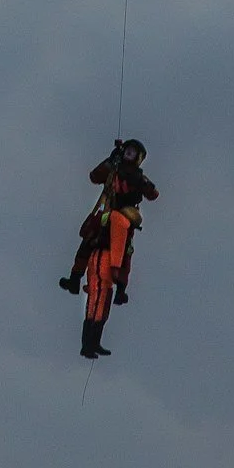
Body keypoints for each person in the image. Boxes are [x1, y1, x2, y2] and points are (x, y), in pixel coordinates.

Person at [60, 139, 158, 356]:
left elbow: (153, 193)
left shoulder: (134, 189)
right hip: (101, 247)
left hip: (113, 250)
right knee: (96, 296)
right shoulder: (112, 172)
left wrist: (141, 182)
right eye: (128, 151)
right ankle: (87, 341)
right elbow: (95, 176)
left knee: (104, 299)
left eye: (134, 152)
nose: (129, 155)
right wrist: (110, 161)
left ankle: (94, 341)